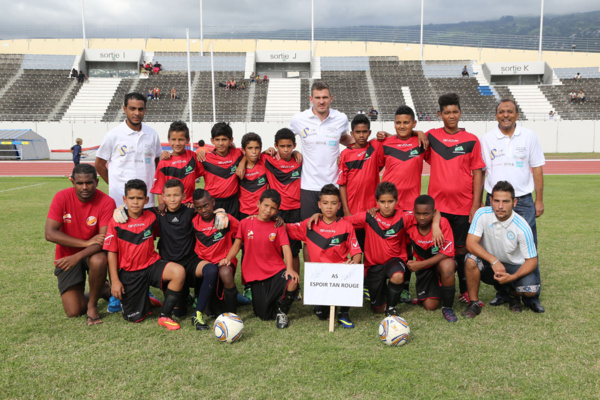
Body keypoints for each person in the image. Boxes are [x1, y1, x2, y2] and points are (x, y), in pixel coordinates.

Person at [95, 92, 162, 312]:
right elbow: (99, 163)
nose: (136, 113)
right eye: (132, 108)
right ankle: (117, 292)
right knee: (118, 247)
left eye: (140, 108)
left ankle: (143, 286)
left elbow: (159, 164)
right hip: (120, 204)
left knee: (143, 245)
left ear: (145, 109)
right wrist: (114, 190)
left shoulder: (152, 135)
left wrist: (156, 194)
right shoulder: (113, 135)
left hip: (148, 201)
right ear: (124, 109)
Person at [479, 99, 545, 313]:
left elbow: (536, 168)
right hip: (494, 200)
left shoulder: (529, 136)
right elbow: (480, 172)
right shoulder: (487, 139)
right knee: (495, 246)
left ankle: (531, 296)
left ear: (517, 114)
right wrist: (479, 201)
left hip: (524, 200)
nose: (505, 115)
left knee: (527, 246)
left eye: (510, 111)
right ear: (495, 115)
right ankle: (503, 292)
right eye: (501, 112)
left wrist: (539, 199)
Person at [426, 93, 485, 305]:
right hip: (438, 208)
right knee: (438, 248)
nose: (451, 116)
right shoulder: (431, 136)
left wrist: (476, 205)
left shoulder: (471, 140)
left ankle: (465, 291)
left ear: (460, 113)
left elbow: (478, 172)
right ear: (439, 114)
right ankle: (436, 290)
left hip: (463, 206)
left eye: (455, 112)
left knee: (462, 249)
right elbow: (411, 139)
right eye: (447, 112)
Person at [104, 179, 186, 330]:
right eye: (131, 198)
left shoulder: (152, 215)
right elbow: (111, 252)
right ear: (124, 199)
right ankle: (143, 296)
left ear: (147, 200)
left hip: (151, 265)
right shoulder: (116, 221)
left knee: (178, 272)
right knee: (134, 319)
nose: (135, 202)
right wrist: (114, 280)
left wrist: (218, 211)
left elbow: (175, 208)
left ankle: (165, 316)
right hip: (130, 273)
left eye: (140, 198)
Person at [343, 182, 428, 317]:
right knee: (377, 308)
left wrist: (435, 225)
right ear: (376, 202)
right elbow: (343, 221)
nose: (387, 205)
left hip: (394, 261)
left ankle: (392, 307)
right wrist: (319, 217)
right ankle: (384, 296)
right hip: (373, 266)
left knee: (398, 275)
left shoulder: (405, 216)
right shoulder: (368, 216)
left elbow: (429, 215)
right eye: (382, 202)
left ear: (396, 201)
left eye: (390, 201)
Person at [45, 164, 116, 325]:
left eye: (89, 182)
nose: (85, 187)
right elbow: (50, 233)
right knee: (74, 311)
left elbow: (104, 240)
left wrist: (78, 255)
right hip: (67, 256)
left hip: (91, 253)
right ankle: (103, 289)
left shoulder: (106, 202)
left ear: (97, 182)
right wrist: (85, 242)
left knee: (99, 260)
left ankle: (92, 305)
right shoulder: (61, 197)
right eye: (80, 183)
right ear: (73, 182)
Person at [220, 189, 299, 329]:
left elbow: (286, 247)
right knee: (263, 315)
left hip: (275, 270)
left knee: (293, 281)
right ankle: (274, 302)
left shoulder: (278, 226)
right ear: (258, 204)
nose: (268, 210)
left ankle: (282, 312)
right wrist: (228, 258)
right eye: (266, 205)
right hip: (255, 275)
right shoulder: (245, 223)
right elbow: (237, 244)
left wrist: (290, 268)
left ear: (277, 211)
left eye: (273, 208)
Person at [287, 184, 362, 328]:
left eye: (333, 203)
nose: (329, 207)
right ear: (319, 205)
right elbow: (286, 227)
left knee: (355, 269)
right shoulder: (310, 225)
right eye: (325, 203)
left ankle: (344, 313)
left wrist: (353, 264)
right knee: (322, 315)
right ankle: (320, 305)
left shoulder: (346, 226)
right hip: (320, 277)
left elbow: (357, 252)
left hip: (340, 275)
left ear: (339, 205)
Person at [463, 181, 541, 318]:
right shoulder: (481, 214)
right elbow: (470, 243)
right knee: (470, 260)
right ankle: (474, 303)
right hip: (490, 266)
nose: (500, 206)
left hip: (513, 268)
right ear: (491, 201)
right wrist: (493, 261)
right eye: (497, 201)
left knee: (531, 289)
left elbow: (532, 261)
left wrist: (513, 277)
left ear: (514, 202)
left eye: (505, 201)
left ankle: (512, 293)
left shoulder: (522, 227)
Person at [378, 105, 426, 301]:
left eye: (406, 122)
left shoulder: (421, 142)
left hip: (411, 207)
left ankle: (405, 286)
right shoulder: (385, 143)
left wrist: (419, 132)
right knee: (387, 244)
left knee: (408, 247)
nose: (402, 126)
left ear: (414, 123)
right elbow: (374, 167)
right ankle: (381, 284)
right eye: (398, 122)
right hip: (389, 206)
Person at [405, 195, 457, 322]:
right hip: (424, 270)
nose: (421, 217)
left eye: (426, 214)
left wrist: (420, 265)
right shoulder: (410, 224)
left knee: (447, 265)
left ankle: (448, 307)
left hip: (439, 264)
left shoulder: (442, 223)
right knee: (430, 306)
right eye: (418, 213)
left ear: (433, 213)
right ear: (413, 212)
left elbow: (447, 253)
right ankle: (437, 291)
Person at [338, 114, 383, 254]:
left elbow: (396, 138)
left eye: (365, 132)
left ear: (369, 132)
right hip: (352, 211)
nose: (361, 135)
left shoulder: (375, 146)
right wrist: (346, 210)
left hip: (372, 211)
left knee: (371, 253)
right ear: (352, 134)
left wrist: (384, 134)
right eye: (358, 132)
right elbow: (342, 184)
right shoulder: (345, 154)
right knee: (354, 254)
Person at [192, 189, 239, 315]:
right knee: (212, 312)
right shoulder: (193, 222)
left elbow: (241, 234)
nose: (203, 210)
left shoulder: (225, 219)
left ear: (213, 202)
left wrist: (229, 257)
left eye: (206, 205)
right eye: (199, 207)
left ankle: (232, 314)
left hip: (225, 260)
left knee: (225, 272)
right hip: (206, 265)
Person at [196, 122, 243, 218]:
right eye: (217, 140)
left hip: (233, 201)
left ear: (231, 140)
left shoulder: (238, 154)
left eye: (224, 139)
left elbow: (251, 155)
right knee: (216, 232)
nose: (221, 143)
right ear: (212, 141)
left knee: (233, 230)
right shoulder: (205, 159)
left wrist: (242, 163)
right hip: (213, 202)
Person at [150, 121, 201, 206]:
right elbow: (159, 189)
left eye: (181, 139)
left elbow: (208, 172)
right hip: (171, 207)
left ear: (187, 140)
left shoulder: (193, 157)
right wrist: (162, 206)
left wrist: (203, 154)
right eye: (174, 139)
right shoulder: (163, 163)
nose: (177, 143)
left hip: (190, 206)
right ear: (169, 140)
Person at [238, 133, 268, 219]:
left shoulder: (265, 164)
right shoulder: (238, 167)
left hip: (262, 213)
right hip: (243, 212)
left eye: (257, 148)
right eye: (250, 148)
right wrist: (242, 162)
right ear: (243, 150)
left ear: (261, 149)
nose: (254, 152)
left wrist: (295, 152)